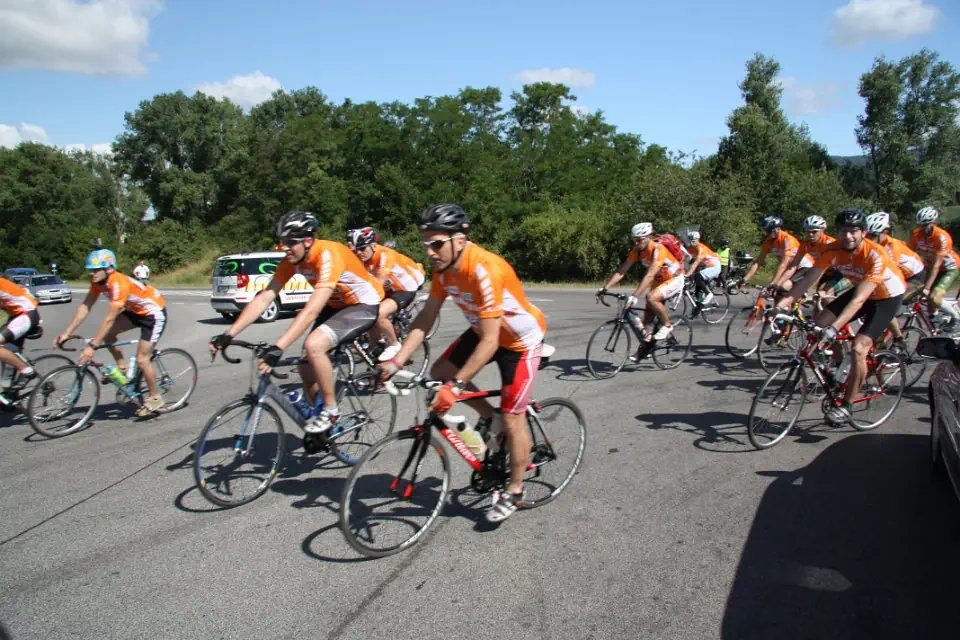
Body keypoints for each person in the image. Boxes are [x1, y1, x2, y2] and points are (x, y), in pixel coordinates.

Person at [377, 204, 547, 523]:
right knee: (440, 372)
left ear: (460, 239)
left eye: (436, 243)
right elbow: (427, 317)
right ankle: (490, 417)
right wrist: (396, 360)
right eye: (425, 244)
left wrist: (455, 388)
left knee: (513, 419)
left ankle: (515, 489)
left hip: (519, 342)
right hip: (485, 331)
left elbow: (490, 342)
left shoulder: (484, 268)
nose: (429, 252)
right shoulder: (443, 270)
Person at [209, 211, 384, 435]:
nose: (285, 248)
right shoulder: (291, 261)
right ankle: (321, 426)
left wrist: (278, 347)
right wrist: (229, 333)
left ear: (308, 241)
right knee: (305, 366)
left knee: (314, 345)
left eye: (290, 242)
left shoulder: (328, 255)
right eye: (282, 241)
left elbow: (311, 310)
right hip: (336, 305)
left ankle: (331, 411)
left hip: (363, 304)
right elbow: (265, 297)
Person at [776, 208, 906, 425]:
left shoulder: (876, 254)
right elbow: (807, 281)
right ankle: (835, 369)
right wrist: (780, 306)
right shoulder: (832, 249)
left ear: (863, 232)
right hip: (861, 291)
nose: (848, 236)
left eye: (853, 231)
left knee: (858, 348)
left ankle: (846, 406)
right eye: (844, 231)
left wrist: (835, 328)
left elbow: (859, 300)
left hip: (886, 297)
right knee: (818, 322)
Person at [56, 249, 168, 416]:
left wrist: (92, 347)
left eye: (96, 270)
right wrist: (67, 332)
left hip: (153, 314)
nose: (92, 273)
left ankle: (155, 398)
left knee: (142, 359)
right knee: (108, 336)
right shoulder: (98, 282)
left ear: (108, 268)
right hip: (135, 311)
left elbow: (109, 319)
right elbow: (86, 306)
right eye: (90, 270)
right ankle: (122, 369)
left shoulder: (119, 283)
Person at [597, 222, 684, 362]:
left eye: (640, 240)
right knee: (647, 321)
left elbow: (649, 275)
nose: (636, 243)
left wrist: (634, 296)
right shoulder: (637, 250)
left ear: (649, 237)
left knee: (651, 297)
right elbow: (622, 271)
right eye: (634, 240)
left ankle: (667, 325)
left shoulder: (658, 249)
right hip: (659, 281)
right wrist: (605, 288)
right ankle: (645, 349)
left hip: (675, 278)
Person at [347, 226, 426, 361]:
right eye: (356, 250)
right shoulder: (362, 257)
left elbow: (379, 281)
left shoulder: (385, 255)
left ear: (374, 245)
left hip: (405, 288)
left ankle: (395, 345)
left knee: (379, 313)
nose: (359, 253)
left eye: (363, 248)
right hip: (389, 289)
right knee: (369, 316)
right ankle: (377, 349)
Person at [865, 211, 926, 346]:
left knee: (886, 305)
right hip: (900, 276)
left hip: (915, 277)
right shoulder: (874, 245)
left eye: (873, 236)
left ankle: (899, 340)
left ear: (885, 232)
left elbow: (888, 274)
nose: (869, 240)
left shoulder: (893, 247)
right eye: (867, 235)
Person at [907, 206, 960, 332]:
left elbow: (937, 265)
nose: (923, 229)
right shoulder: (916, 234)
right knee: (924, 296)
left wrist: (927, 287)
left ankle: (956, 317)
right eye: (920, 225)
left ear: (934, 223)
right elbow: (910, 255)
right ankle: (936, 323)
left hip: (949, 268)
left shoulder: (942, 237)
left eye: (926, 225)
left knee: (934, 297)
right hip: (930, 267)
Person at [0, 276, 40, 399]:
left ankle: (26, 370)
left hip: (26, 314)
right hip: (15, 316)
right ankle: (9, 395)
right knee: (7, 353)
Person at [742, 215, 802, 296]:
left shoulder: (787, 240)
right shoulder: (769, 241)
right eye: (766, 231)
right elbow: (758, 262)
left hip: (801, 268)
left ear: (777, 229)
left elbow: (783, 264)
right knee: (775, 294)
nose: (767, 234)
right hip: (788, 270)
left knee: (782, 287)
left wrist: (772, 283)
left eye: (769, 231)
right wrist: (745, 279)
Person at [682, 230, 720, 312]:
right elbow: (684, 259)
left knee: (698, 276)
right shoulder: (690, 248)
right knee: (697, 290)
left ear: (698, 240)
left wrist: (687, 275)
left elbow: (695, 263)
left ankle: (708, 294)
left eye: (693, 240)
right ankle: (697, 310)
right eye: (690, 240)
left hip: (714, 266)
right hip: (705, 267)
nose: (691, 242)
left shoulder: (701, 248)